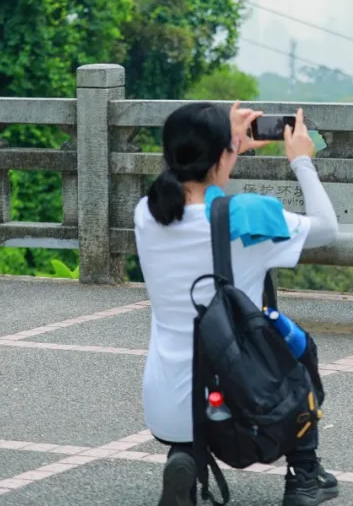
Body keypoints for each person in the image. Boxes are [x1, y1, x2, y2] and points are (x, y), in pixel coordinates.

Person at [133, 102, 340, 506]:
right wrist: (301, 161)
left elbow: (195, 187)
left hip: (168, 407)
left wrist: (224, 149)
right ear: (220, 156)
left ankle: (184, 457)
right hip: (241, 408)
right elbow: (327, 229)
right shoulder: (247, 217)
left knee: (196, 386)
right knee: (296, 350)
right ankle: (304, 475)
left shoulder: (147, 212)